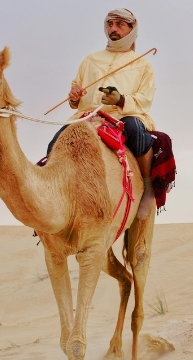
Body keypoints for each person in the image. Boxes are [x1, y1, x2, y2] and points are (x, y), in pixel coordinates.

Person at [46, 8, 158, 219]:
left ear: (131, 29)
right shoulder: (90, 59)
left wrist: (121, 99)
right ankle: (50, 194)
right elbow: (75, 94)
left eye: (119, 24)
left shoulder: (143, 64)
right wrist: (74, 96)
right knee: (56, 141)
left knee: (136, 131)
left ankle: (148, 188)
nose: (113, 29)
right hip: (88, 116)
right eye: (109, 24)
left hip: (123, 115)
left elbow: (145, 99)